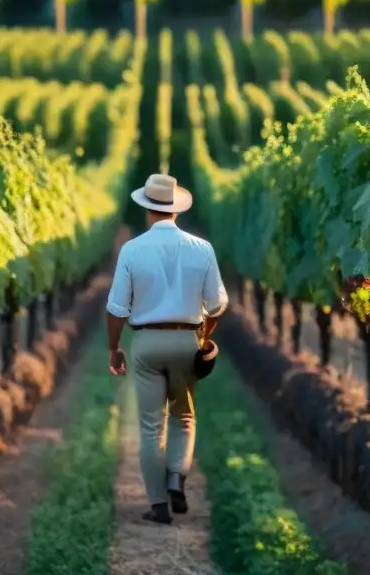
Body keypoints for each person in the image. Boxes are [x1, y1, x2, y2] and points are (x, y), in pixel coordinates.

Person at [105, 173, 228, 525]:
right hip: (186, 341)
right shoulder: (201, 248)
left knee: (149, 427)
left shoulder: (131, 249)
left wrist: (115, 348)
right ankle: (176, 477)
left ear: (147, 210)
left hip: (146, 342)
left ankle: (158, 505)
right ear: (175, 210)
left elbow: (116, 309)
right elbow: (217, 305)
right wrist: (204, 338)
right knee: (184, 417)